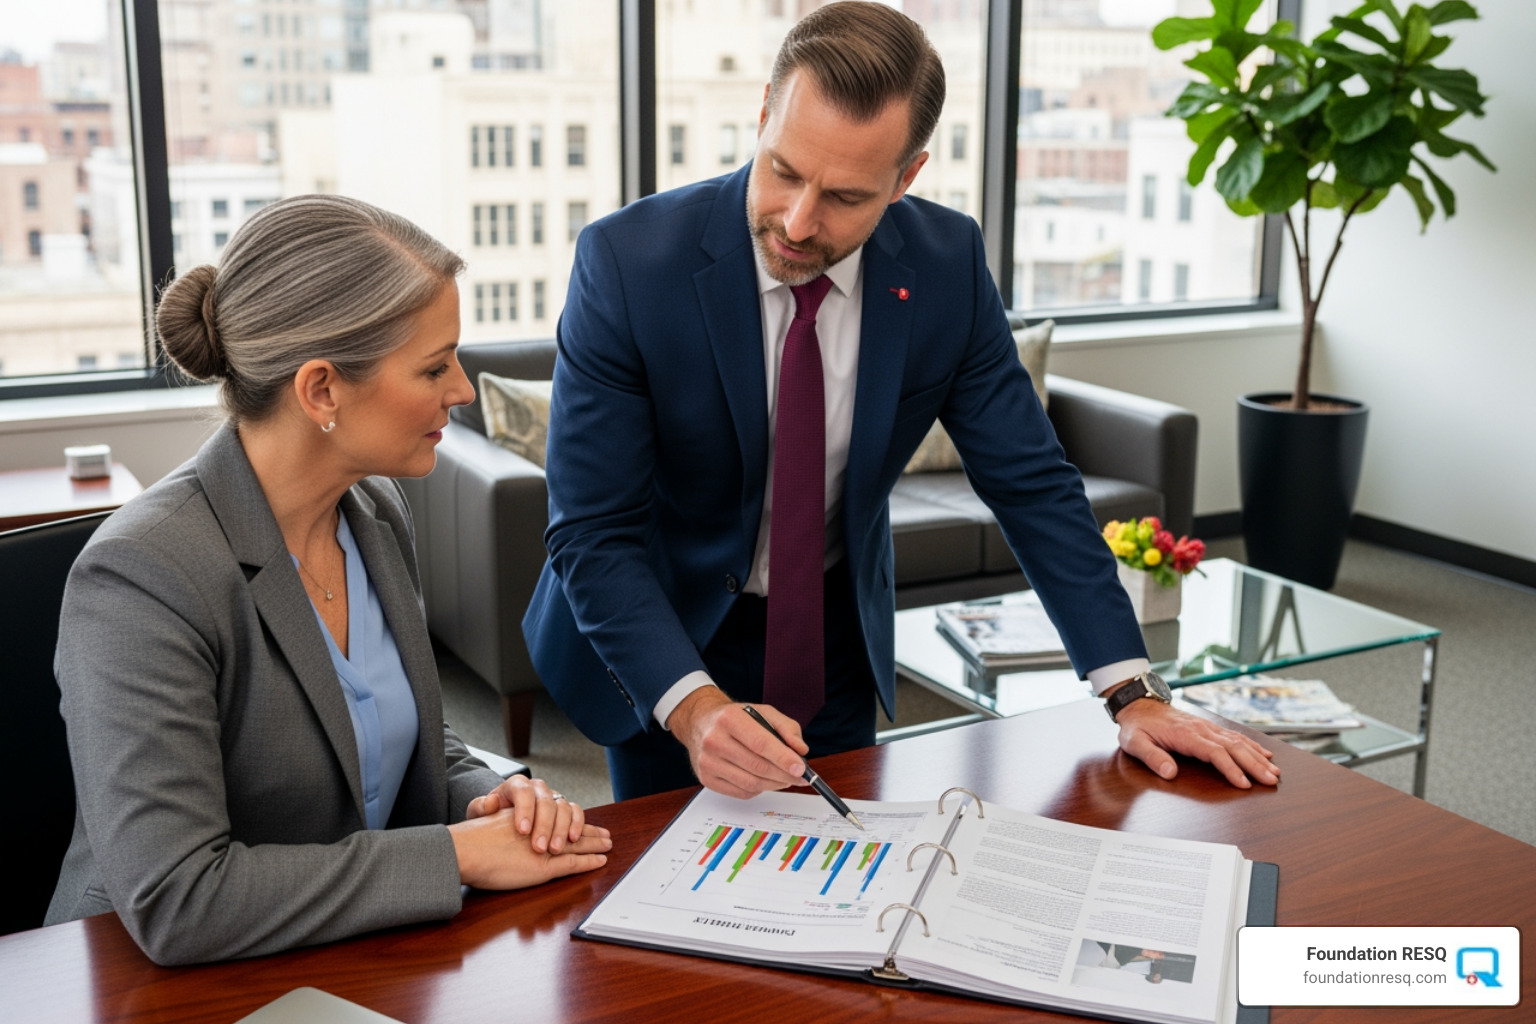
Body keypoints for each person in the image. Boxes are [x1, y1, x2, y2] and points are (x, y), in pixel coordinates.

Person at [524, 2, 1278, 801]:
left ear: (907, 177)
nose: (797, 220)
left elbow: (1031, 482)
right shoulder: (629, 261)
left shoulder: (946, 266)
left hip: (831, 641)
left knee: (845, 876)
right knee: (666, 889)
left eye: (846, 196)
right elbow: (593, 530)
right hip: (662, 633)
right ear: (762, 117)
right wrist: (692, 705)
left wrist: (1132, 691)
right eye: (782, 169)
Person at [44, 195, 611, 966]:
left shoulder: (372, 509)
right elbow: (179, 898)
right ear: (321, 391)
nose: (463, 390)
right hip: (149, 981)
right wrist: (457, 856)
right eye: (434, 365)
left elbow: (404, 734)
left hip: (348, 953)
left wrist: (488, 791)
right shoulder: (143, 574)